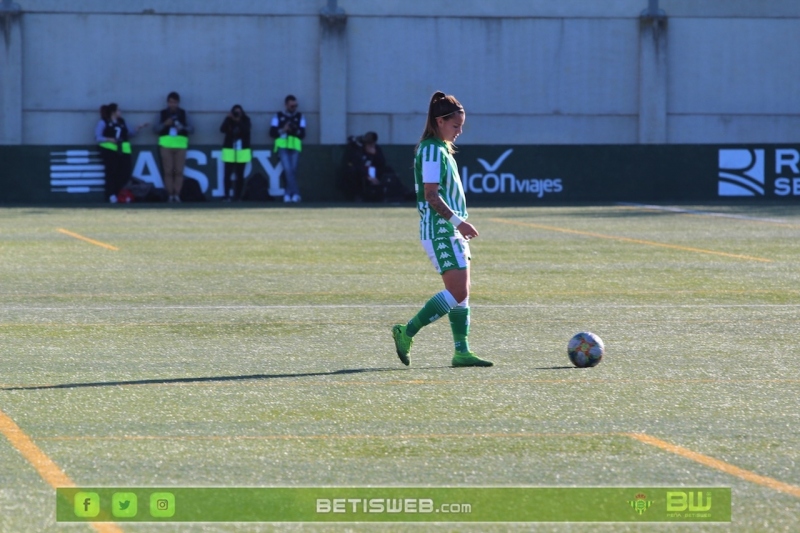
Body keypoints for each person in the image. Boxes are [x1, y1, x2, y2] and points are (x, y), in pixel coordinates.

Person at [391, 91, 493, 368]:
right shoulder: (432, 151)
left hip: (449, 230)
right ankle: (406, 331)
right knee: (458, 292)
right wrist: (459, 223)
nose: (459, 131)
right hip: (440, 230)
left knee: (463, 293)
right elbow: (431, 196)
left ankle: (462, 351)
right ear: (439, 121)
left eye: (461, 126)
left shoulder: (440, 149)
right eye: (455, 125)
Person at [95, 103, 148, 202]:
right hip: (109, 151)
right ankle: (111, 194)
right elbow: (98, 137)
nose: (120, 112)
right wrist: (109, 139)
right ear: (113, 112)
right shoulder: (103, 122)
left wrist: (139, 127)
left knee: (124, 173)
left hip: (123, 151)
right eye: (118, 110)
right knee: (111, 173)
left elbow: (130, 133)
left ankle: (119, 193)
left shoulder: (122, 121)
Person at [154, 91, 194, 203]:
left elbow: (192, 129)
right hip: (166, 146)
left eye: (175, 102)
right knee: (168, 171)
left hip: (180, 146)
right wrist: (164, 124)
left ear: (178, 103)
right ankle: (170, 194)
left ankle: (177, 194)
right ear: (167, 102)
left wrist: (182, 127)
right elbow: (155, 129)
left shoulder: (184, 113)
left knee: (179, 171)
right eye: (171, 102)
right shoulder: (161, 114)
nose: (173, 105)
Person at [269, 95, 306, 203]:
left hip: (295, 147)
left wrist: (294, 130)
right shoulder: (277, 116)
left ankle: (288, 194)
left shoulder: (300, 116)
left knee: (293, 170)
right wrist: (283, 130)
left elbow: (303, 133)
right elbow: (272, 132)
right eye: (291, 105)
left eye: (295, 105)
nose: (294, 107)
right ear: (286, 105)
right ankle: (296, 193)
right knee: (288, 170)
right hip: (283, 146)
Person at [342, 131, 388, 202]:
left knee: (388, 170)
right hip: (362, 174)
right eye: (368, 143)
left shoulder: (376, 149)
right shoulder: (359, 151)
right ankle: (358, 195)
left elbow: (382, 163)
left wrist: (375, 154)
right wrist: (367, 176)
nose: (371, 145)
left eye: (372, 143)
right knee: (352, 172)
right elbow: (357, 165)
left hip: (373, 172)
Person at [219, 104, 252, 201]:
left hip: (242, 151)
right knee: (227, 174)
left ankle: (238, 196)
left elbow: (246, 131)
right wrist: (228, 118)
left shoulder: (246, 120)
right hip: (229, 150)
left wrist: (239, 121)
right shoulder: (229, 120)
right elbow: (222, 129)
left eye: (239, 112)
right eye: (235, 112)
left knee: (240, 174)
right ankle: (226, 195)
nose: (237, 114)